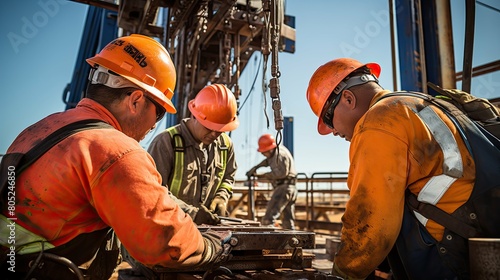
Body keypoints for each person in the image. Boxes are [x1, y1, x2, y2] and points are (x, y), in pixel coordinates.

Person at [0, 34, 229, 280]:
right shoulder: (116, 151)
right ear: (136, 100)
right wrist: (212, 248)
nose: (154, 125)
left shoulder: (40, 128)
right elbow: (165, 243)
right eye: (160, 111)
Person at [306, 57, 500, 279]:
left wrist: (343, 274)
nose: (332, 131)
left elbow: (369, 224)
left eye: (329, 121)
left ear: (348, 98)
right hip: (481, 235)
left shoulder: (379, 121)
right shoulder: (420, 103)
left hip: (453, 257)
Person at [147, 84, 239, 225]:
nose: (215, 134)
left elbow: (228, 177)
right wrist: (192, 213)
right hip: (169, 228)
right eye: (209, 127)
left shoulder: (225, 145)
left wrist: (221, 197)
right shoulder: (166, 143)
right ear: (194, 116)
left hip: (206, 230)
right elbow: (154, 192)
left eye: (220, 129)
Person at [245, 134, 297, 230]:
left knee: (268, 219)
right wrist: (256, 167)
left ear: (269, 149)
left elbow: (281, 174)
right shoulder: (275, 153)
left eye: (264, 152)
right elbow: (267, 161)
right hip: (289, 188)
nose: (262, 154)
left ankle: (267, 240)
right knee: (287, 220)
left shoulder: (279, 154)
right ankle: (292, 241)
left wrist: (261, 175)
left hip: (283, 189)